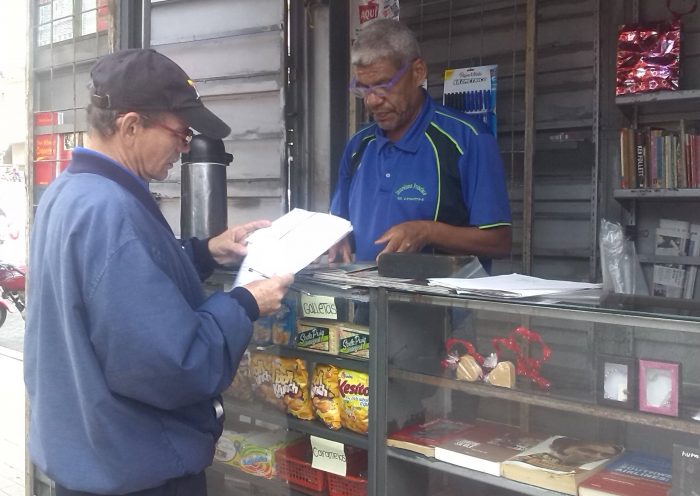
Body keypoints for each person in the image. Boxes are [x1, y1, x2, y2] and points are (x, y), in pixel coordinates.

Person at [24, 48, 293, 496]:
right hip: (135, 475)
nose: (183, 149)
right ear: (131, 126)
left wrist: (205, 252)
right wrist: (246, 302)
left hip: (93, 461)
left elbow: (113, 286)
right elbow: (176, 364)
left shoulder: (69, 193)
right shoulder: (112, 211)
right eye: (180, 134)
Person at [329, 18, 512, 270]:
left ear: (418, 72)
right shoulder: (358, 146)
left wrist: (427, 232)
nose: (372, 101)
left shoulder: (468, 139)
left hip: (443, 306)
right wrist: (336, 238)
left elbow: (499, 241)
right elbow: (339, 223)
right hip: (369, 305)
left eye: (383, 85)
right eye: (363, 88)